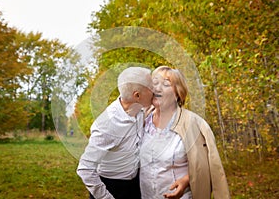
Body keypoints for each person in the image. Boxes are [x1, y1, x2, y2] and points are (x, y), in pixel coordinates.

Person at [139, 66, 230, 199]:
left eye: (165, 84)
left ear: (178, 94)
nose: (157, 88)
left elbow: (206, 166)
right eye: (154, 83)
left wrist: (186, 180)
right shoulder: (140, 121)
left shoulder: (194, 124)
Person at [77, 67, 153, 199]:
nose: (155, 90)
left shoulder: (139, 108)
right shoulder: (107, 124)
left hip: (134, 185)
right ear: (137, 95)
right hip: (111, 187)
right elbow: (85, 169)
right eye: (151, 87)